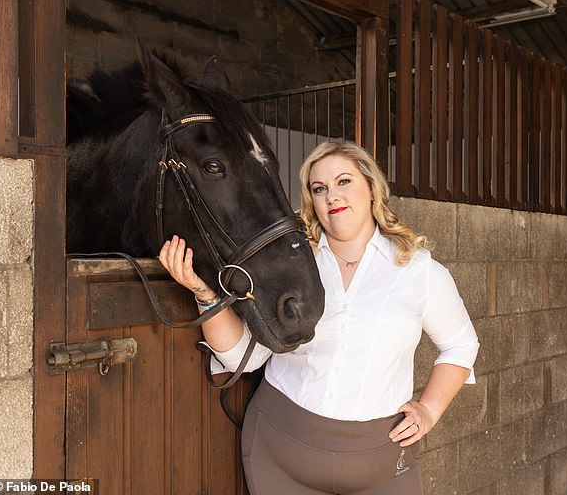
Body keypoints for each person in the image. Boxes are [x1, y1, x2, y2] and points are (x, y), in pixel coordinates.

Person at [159, 141, 479, 494]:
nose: (331, 196)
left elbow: (460, 345)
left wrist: (430, 411)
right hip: (281, 457)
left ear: (372, 188)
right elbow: (241, 357)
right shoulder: (291, 267)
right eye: (319, 188)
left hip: (383, 464)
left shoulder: (419, 271)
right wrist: (204, 292)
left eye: (344, 182)